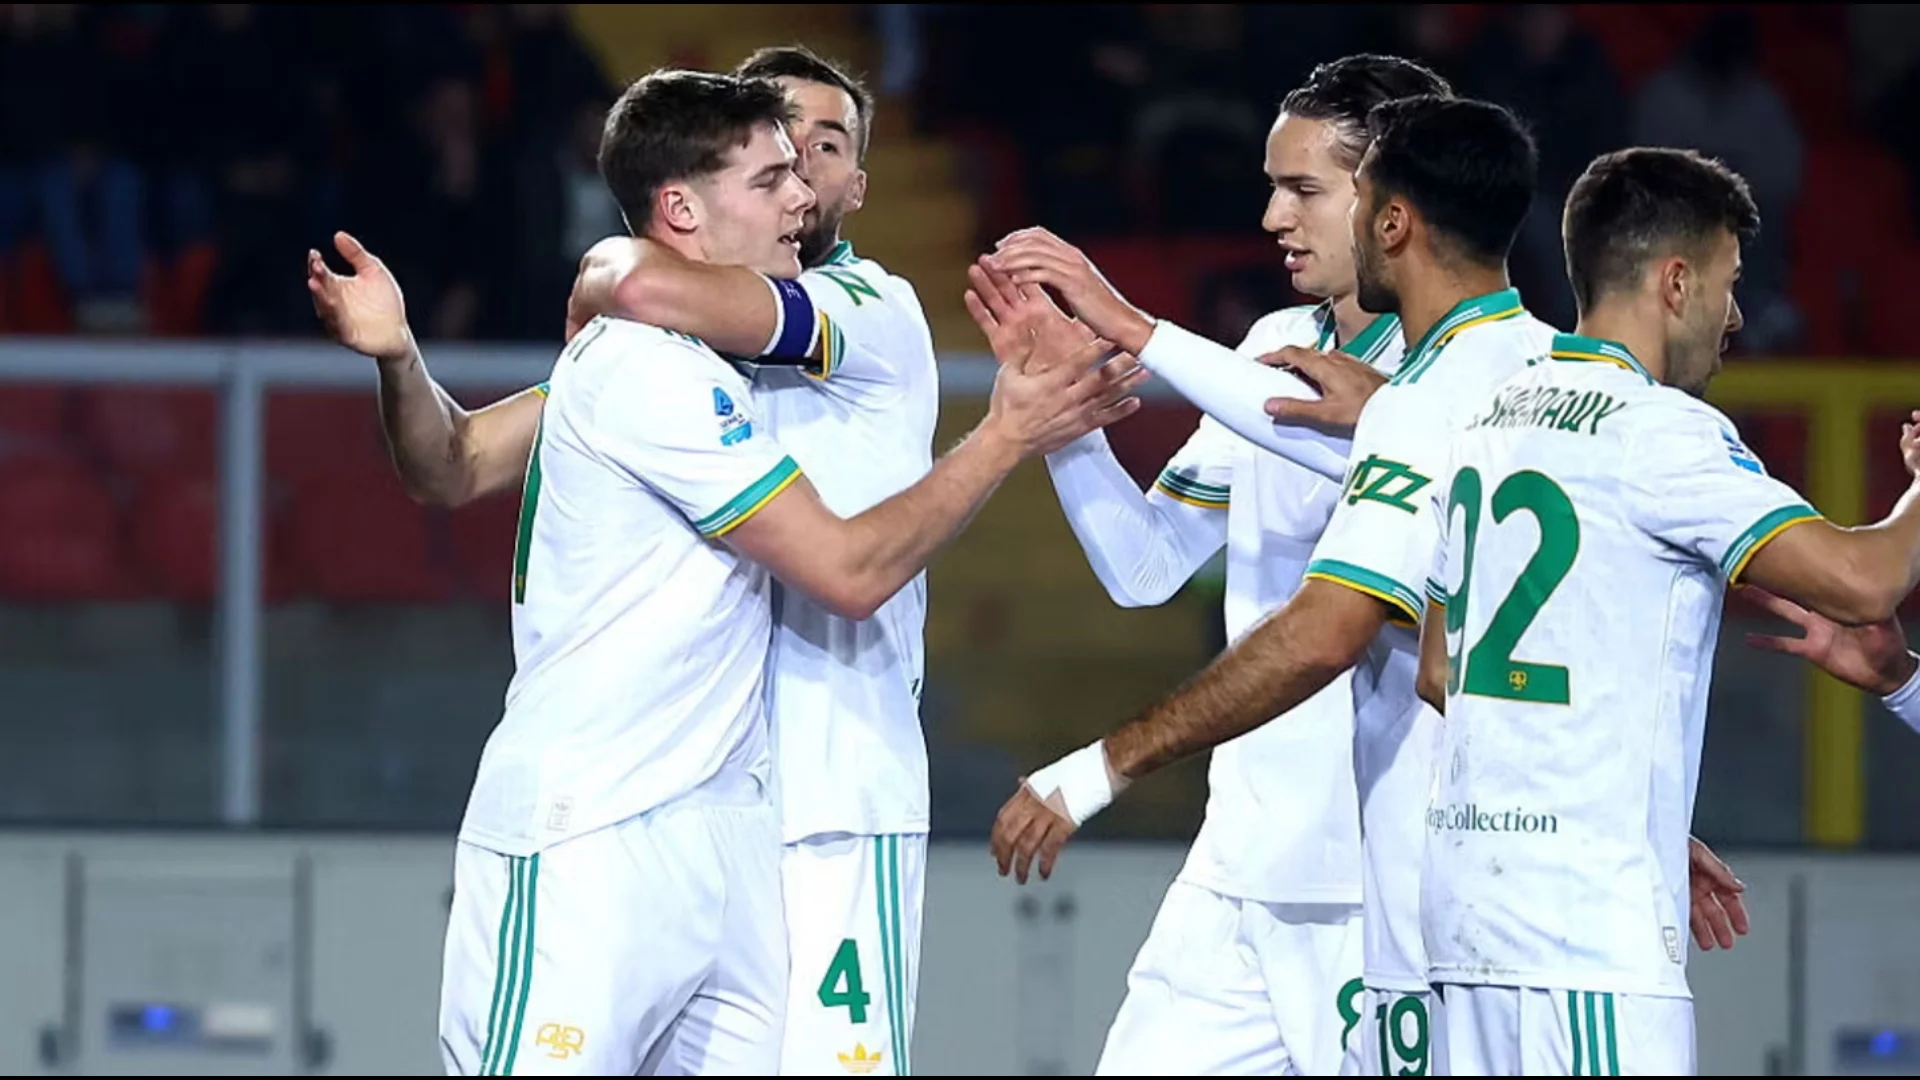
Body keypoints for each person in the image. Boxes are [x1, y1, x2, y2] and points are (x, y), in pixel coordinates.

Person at [312, 68, 1140, 1076]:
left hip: (767, 810)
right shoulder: (650, 364)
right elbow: (457, 461)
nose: (801, 190)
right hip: (599, 818)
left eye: (820, 155)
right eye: (773, 169)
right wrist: (405, 356)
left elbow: (635, 282)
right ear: (684, 206)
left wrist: (612, 267)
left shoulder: (859, 307)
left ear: (863, 181)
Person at [984, 95, 1555, 1076]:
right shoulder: (1265, 349)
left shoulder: (1482, 376)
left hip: (1376, 881)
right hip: (1241, 862)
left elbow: (1395, 448)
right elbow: (1146, 567)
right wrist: (1065, 420)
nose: (1273, 218)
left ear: (1386, 203)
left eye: (1303, 190)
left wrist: (1137, 328)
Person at [1414, 146, 1920, 1075]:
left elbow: (1439, 669)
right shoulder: (1662, 433)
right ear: (1676, 282)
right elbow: (1862, 580)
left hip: (1465, 921)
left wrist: (1624, 808)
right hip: (1585, 942)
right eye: (1730, 283)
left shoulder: (1485, 417)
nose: (1736, 316)